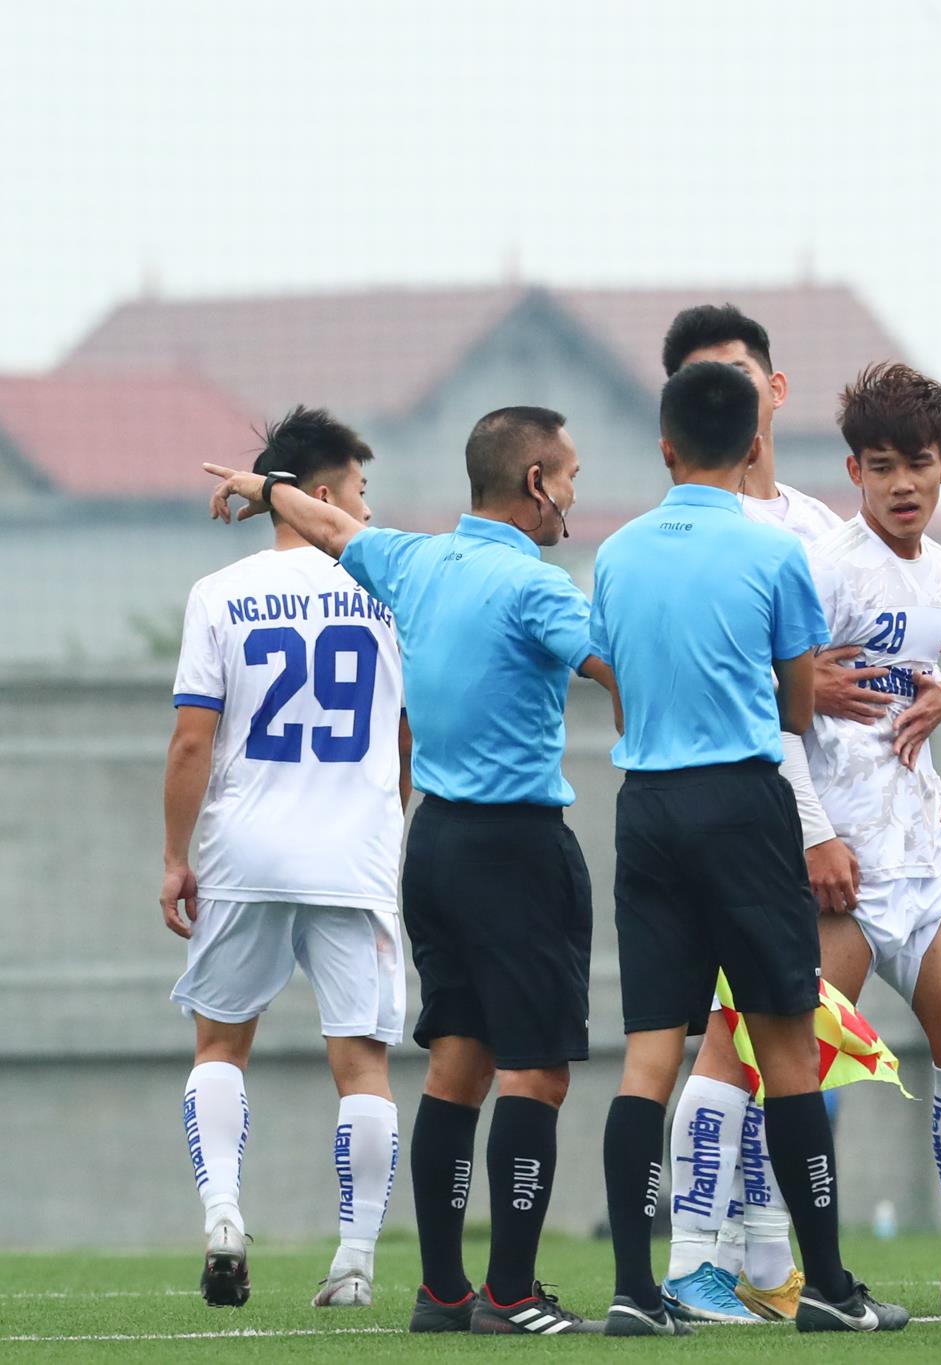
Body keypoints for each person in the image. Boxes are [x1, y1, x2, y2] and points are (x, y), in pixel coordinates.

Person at [204, 406, 620, 1335]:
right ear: (537, 483)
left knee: (457, 1065)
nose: (575, 494)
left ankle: (443, 1293)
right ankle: (511, 1294)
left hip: (431, 845)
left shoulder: (414, 560)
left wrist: (261, 486)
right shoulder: (538, 587)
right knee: (536, 1074)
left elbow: (328, 526)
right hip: (518, 848)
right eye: (570, 476)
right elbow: (619, 667)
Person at [590, 359, 908, 1336]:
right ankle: (827, 1288)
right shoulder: (774, 553)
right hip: (742, 802)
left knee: (649, 1057)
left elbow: (614, 678)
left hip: (646, 806)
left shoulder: (616, 552)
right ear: (752, 443)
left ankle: (635, 1291)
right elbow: (796, 705)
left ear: (665, 446)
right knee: (786, 1051)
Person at [655, 304, 941, 1324]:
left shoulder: (827, 533)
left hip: (800, 816)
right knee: (724, 1041)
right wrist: (794, 690)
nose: (728, 396)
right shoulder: (679, 533)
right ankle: (697, 1261)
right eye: (705, 381)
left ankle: (763, 1261)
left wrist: (936, 751)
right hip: (728, 809)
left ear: (773, 391)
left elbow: (887, 675)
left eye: (740, 375)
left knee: (776, 1042)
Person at [165, 408, 407, 1310]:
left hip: (245, 851)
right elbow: (406, 734)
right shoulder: (389, 586)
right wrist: (388, 822)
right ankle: (354, 1262)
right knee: (364, 1063)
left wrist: (173, 854)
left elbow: (193, 742)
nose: (367, 509)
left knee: (220, 1043)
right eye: (361, 491)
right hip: (352, 854)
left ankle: (224, 1217)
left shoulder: (219, 592)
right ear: (325, 493)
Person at [797, 362, 941, 1314]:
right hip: (839, 859)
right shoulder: (824, 568)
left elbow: (905, 702)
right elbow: (774, 712)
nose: (902, 484)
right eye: (880, 466)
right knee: (796, 1056)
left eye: (917, 463)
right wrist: (813, 836)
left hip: (918, 845)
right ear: (854, 471)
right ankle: (765, 1255)